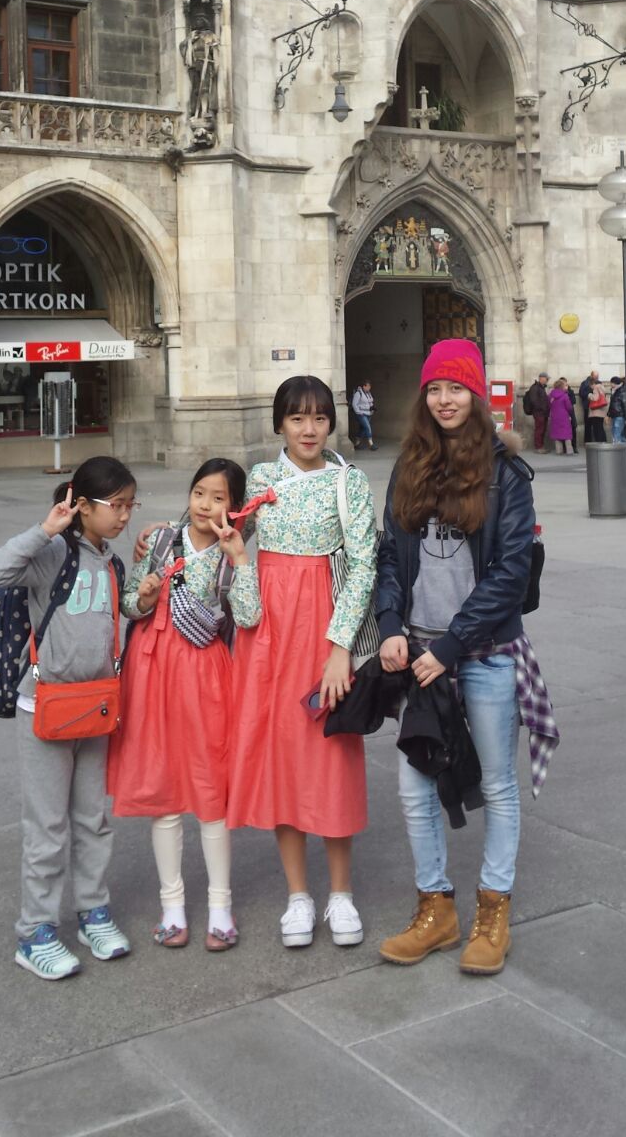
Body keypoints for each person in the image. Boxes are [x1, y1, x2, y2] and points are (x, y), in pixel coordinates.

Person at [375, 338, 557, 977]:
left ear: (476, 396)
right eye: (434, 388)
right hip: (420, 651)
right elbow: (390, 556)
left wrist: (451, 647)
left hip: (482, 652)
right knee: (414, 784)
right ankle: (436, 910)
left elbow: (510, 573)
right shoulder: (409, 466)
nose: (445, 399)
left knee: (499, 784)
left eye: (456, 388)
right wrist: (390, 625)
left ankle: (493, 910)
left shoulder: (506, 475)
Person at [226, 375, 377, 949]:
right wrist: (163, 542)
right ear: (280, 424)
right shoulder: (260, 479)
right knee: (282, 756)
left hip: (323, 629)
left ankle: (340, 893)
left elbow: (363, 565)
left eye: (318, 417)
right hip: (269, 635)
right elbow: (223, 534)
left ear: (332, 422)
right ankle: (297, 895)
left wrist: (340, 649)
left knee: (331, 754)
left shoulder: (348, 482)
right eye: (296, 418)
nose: (308, 429)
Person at [0, 457, 136, 981]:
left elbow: (124, 612)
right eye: (117, 505)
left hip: (96, 706)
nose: (124, 515)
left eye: (130, 505)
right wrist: (45, 529)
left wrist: (143, 596)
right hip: (46, 708)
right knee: (47, 827)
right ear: (83, 505)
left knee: (93, 819)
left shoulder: (111, 562)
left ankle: (94, 912)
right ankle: (35, 932)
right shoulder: (53, 554)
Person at [108, 458, 248, 952]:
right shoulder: (162, 540)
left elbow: (249, 615)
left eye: (218, 498)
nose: (205, 505)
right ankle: (172, 905)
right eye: (199, 493)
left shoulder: (232, 553)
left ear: (235, 507)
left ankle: (220, 907)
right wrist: (145, 598)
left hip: (205, 675)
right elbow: (128, 602)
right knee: (162, 790)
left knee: (211, 790)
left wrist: (241, 560)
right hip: (151, 672)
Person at [547, 379, 575, 455]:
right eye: (565, 385)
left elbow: (549, 405)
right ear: (562, 386)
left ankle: (559, 451)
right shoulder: (565, 395)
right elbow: (569, 407)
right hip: (564, 417)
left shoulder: (551, 396)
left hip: (554, 417)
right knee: (567, 434)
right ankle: (569, 451)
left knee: (557, 434)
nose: (566, 387)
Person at [524, 372, 550, 453]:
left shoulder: (542, 388)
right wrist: (542, 408)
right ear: (541, 378)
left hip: (543, 413)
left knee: (542, 429)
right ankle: (538, 447)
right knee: (539, 430)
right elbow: (534, 401)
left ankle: (541, 446)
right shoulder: (535, 387)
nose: (547, 380)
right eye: (546, 378)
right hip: (539, 412)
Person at [351, 379, 377, 451]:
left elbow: (370, 402)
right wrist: (358, 412)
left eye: (370, 386)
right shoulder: (358, 393)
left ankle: (357, 443)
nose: (369, 388)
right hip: (361, 414)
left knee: (362, 429)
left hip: (368, 413)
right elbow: (354, 404)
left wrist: (372, 408)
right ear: (364, 386)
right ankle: (371, 444)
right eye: (368, 386)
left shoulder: (369, 394)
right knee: (367, 427)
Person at [586, 375, 608, 442]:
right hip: (601, 411)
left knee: (597, 428)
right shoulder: (602, 387)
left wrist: (589, 395)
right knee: (600, 427)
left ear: (593, 384)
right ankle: (603, 441)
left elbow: (595, 398)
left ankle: (599, 442)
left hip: (596, 412)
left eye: (590, 386)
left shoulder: (596, 387)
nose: (591, 387)